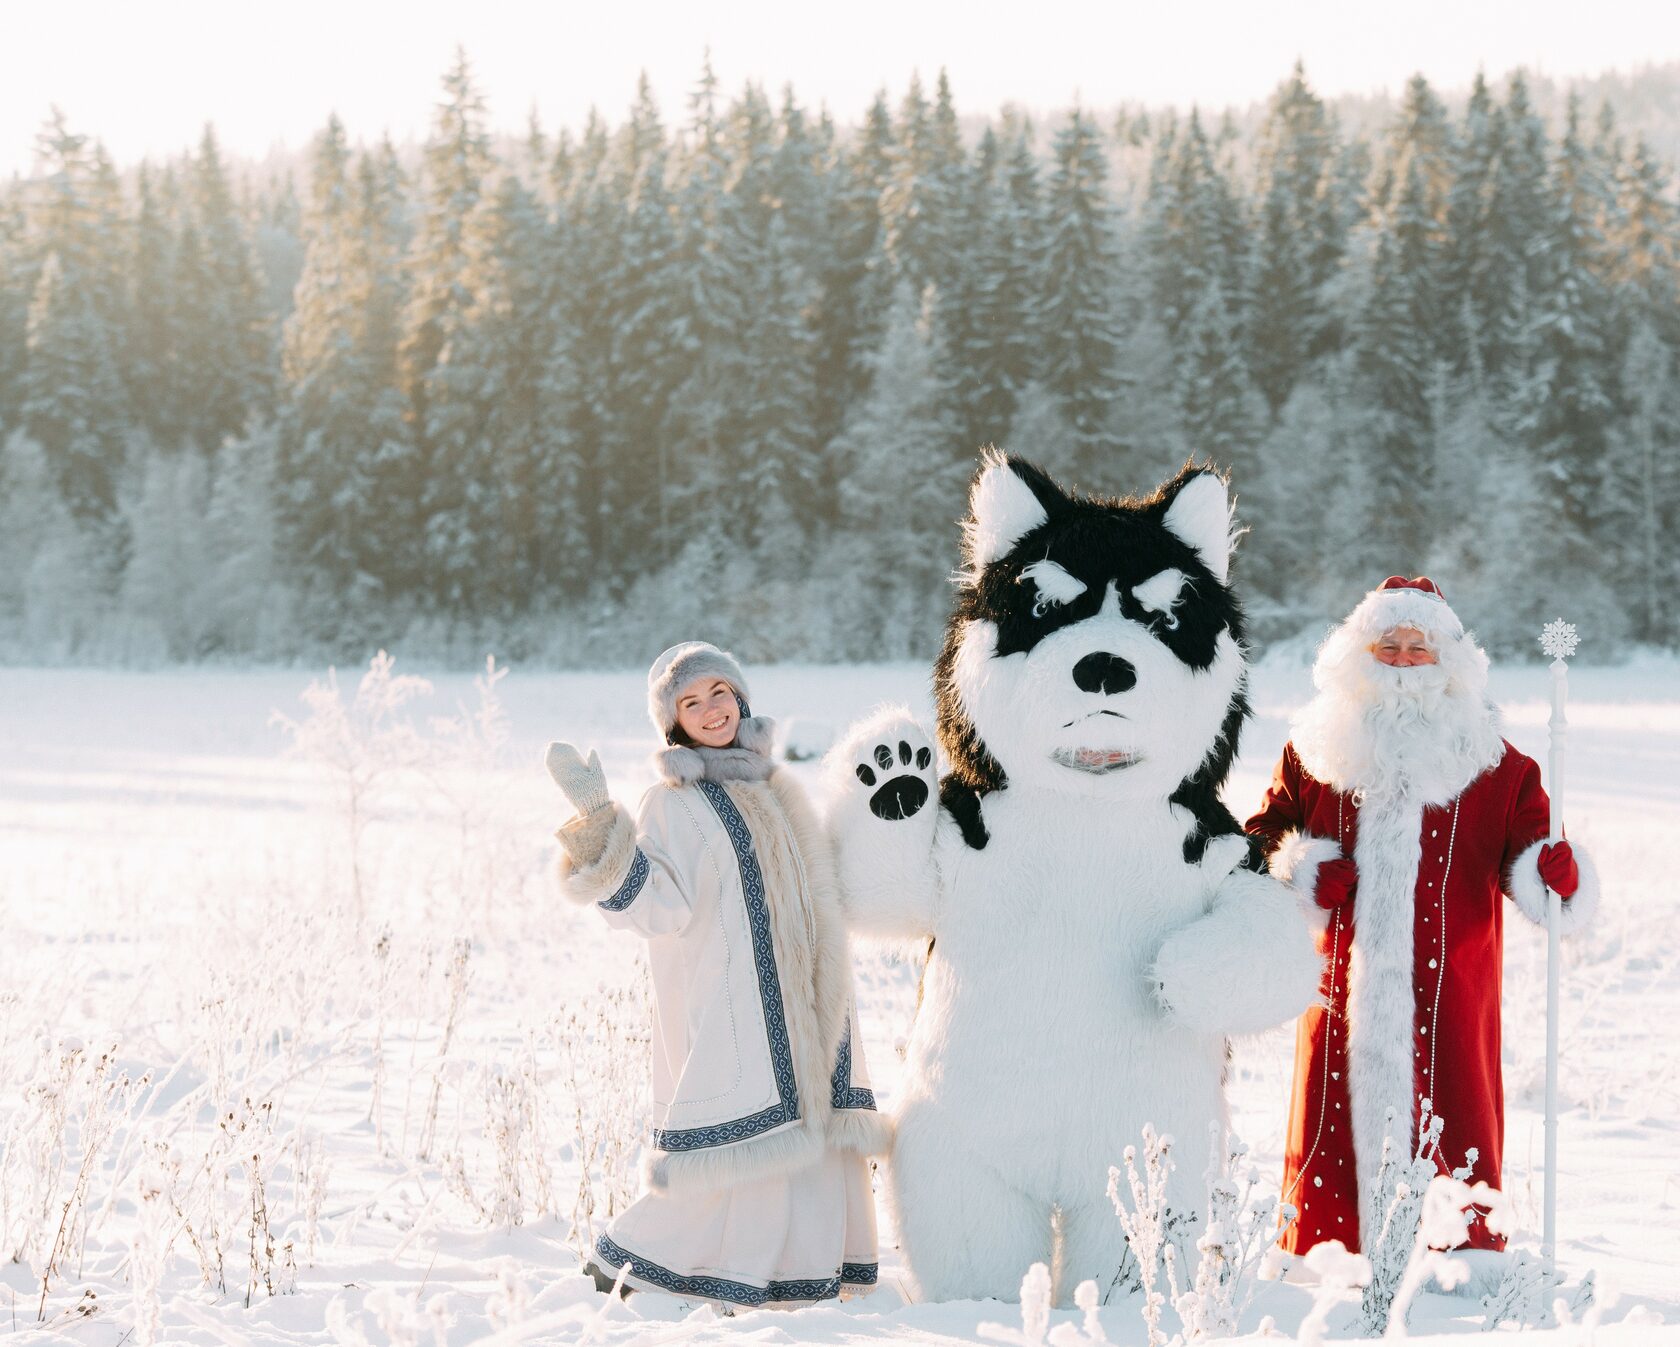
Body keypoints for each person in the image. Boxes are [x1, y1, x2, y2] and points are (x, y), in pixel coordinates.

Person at [1245, 577, 1600, 1271]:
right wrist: (1301, 866)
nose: (1405, 658)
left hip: (1453, 995)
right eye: (1390, 644)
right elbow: (1260, 838)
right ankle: (1329, 1256)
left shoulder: (1500, 765)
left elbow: (1535, 856)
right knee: (1332, 1124)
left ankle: (1459, 1261)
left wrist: (1555, 872)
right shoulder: (1316, 753)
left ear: (1450, 662)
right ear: (1359, 653)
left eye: (1420, 646)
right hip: (1339, 995)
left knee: (1454, 1119)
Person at [546, 641, 888, 1310]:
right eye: (690, 702)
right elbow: (658, 905)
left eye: (719, 693)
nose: (710, 709)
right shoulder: (671, 803)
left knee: (811, 1127)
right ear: (672, 720)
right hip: (736, 1003)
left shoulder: (779, 785)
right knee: (746, 1135)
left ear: (741, 698)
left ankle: (806, 1269)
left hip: (814, 995)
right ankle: (652, 1259)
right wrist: (599, 832)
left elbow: (822, 884)